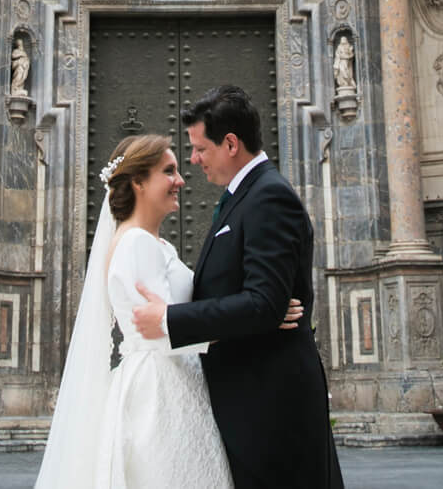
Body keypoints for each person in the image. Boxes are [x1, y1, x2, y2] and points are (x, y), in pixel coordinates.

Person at [34, 131, 305, 489]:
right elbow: (160, 330)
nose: (180, 180)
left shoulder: (153, 243)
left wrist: (260, 303)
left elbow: (183, 312)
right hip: (159, 391)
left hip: (173, 380)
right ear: (138, 183)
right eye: (168, 171)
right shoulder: (135, 244)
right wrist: (261, 319)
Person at [130, 86, 344, 489]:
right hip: (247, 397)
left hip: (270, 404)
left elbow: (265, 302)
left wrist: (169, 319)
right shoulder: (241, 195)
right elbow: (263, 301)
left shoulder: (269, 196)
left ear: (231, 143)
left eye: (200, 149)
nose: (193, 161)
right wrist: (263, 307)